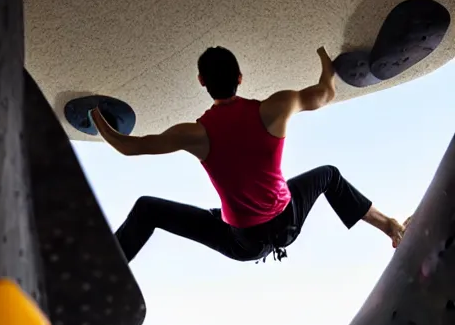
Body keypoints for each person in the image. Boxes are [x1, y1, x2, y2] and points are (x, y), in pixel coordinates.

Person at [89, 46, 406, 264]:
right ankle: (389, 225)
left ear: (202, 82)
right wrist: (326, 58)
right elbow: (326, 92)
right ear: (239, 77)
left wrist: (95, 116)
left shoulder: (196, 134)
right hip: (288, 221)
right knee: (329, 176)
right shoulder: (276, 108)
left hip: (245, 242)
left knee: (148, 209)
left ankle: (106, 274)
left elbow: (129, 146)